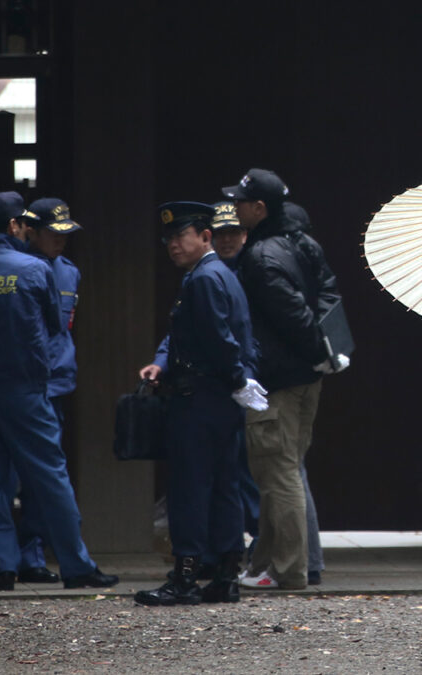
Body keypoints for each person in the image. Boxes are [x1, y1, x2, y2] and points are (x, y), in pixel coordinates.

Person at [0, 191, 117, 591]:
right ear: (16, 226)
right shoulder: (35, 270)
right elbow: (53, 325)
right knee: (50, 476)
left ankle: (1, 568)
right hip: (25, 389)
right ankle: (76, 565)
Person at [134, 201, 267, 606]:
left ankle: (186, 577)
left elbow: (219, 338)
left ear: (204, 236)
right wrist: (161, 363)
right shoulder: (215, 274)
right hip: (218, 396)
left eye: (181, 237)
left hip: (201, 396)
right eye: (169, 240)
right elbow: (193, 335)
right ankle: (226, 574)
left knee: (190, 488)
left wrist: (235, 378)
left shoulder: (204, 278)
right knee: (224, 486)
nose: (173, 245)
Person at [220, 169, 345, 591]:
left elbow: (291, 314)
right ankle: (265, 565)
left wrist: (316, 349)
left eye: (240, 202)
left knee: (278, 471)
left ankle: (289, 570)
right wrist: (329, 353)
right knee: (283, 469)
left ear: (259, 208)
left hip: (277, 378)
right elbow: (329, 294)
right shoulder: (304, 243)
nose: (234, 208)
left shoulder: (259, 256)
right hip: (309, 375)